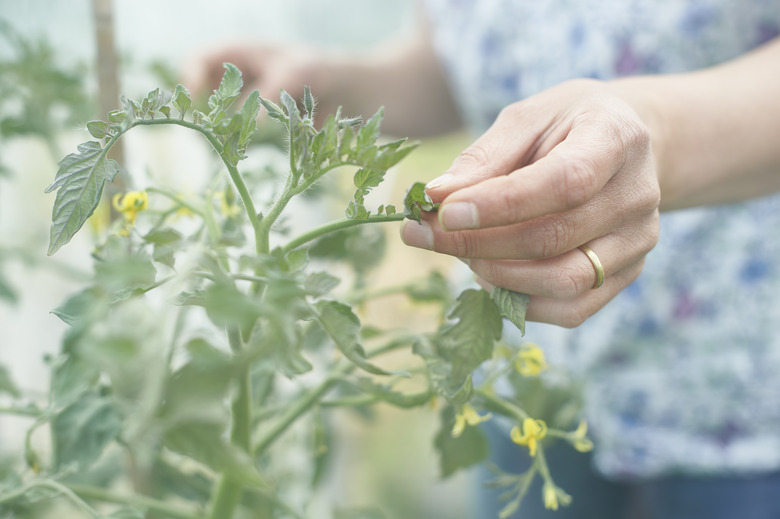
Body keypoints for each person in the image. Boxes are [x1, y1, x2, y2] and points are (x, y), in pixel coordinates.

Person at [184, 1, 780, 517]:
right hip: (530, 381)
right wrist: (340, 89)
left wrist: (658, 138)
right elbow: (465, 57)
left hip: (740, 398)